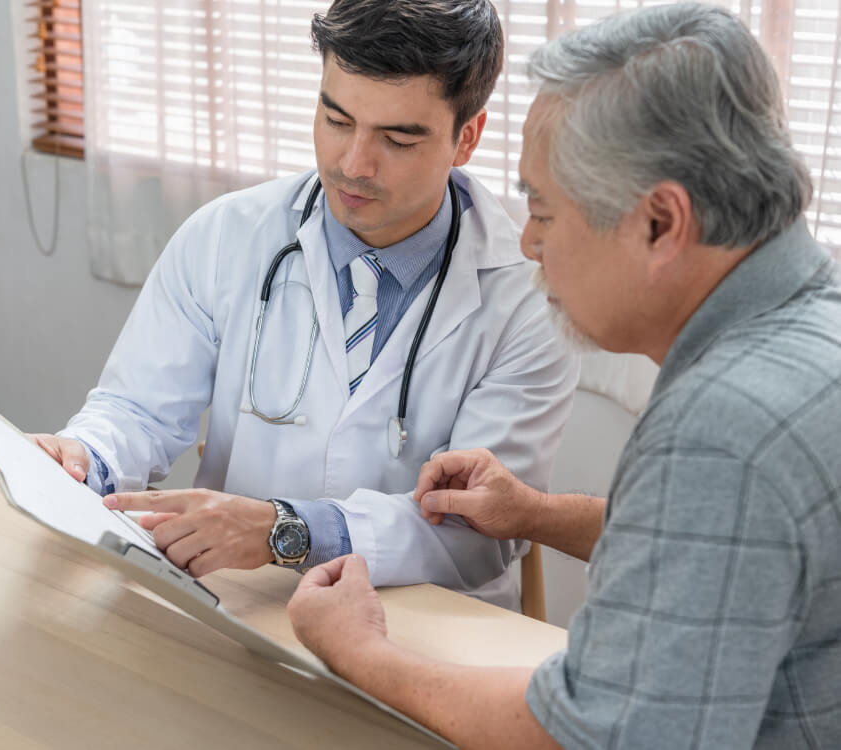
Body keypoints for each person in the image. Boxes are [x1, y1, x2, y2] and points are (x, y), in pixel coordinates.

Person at [287, 3, 841, 748]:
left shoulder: (722, 428)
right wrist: (535, 515)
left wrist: (358, 651)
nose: (529, 241)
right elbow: (726, 543)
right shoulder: (813, 324)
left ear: (660, 223)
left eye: (545, 210)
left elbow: (591, 736)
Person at [31, 0, 578, 609]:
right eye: (336, 119)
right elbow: (138, 412)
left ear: (466, 138)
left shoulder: (532, 298)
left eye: (397, 138)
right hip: (237, 609)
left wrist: (284, 531)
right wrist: (85, 457)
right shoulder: (226, 235)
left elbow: (475, 535)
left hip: (427, 634)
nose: (352, 165)